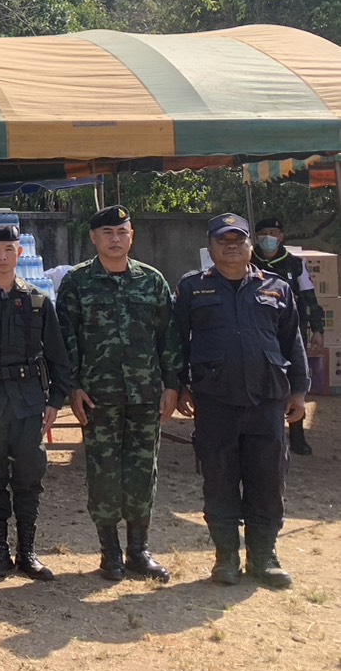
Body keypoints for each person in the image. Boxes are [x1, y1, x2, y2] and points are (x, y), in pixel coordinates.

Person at [175, 214, 310, 588]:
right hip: (215, 401)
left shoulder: (277, 287)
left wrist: (299, 390)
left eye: (239, 240)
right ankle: (226, 558)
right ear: (211, 246)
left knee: (267, 480)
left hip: (267, 400)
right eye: (224, 241)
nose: (232, 246)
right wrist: (179, 385)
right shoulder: (192, 288)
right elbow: (176, 341)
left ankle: (263, 556)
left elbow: (292, 341)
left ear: (250, 245)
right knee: (219, 480)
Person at [56, 204, 182, 583]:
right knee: (104, 473)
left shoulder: (152, 281)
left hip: (146, 394)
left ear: (132, 236)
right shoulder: (78, 282)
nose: (115, 239)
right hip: (98, 397)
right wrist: (73, 387)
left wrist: (172, 385)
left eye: (122, 232)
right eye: (107, 232)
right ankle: (109, 552)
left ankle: (139, 550)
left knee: (143, 472)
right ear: (93, 238)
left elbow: (169, 337)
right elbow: (65, 339)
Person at [0, 224, 74, 581]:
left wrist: (55, 401)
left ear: (20, 253)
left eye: (9, 249)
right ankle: (0, 551)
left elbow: (58, 356)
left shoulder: (38, 301)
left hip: (29, 402)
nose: (3, 256)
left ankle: (27, 551)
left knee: (29, 476)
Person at [251, 216, 324, 454]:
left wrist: (318, 329)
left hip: (291, 331)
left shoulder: (295, 264)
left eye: (273, 233)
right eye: (263, 234)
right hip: (259, 331)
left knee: (294, 381)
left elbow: (310, 298)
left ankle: (297, 436)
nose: (268, 238)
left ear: (281, 236)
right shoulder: (248, 261)